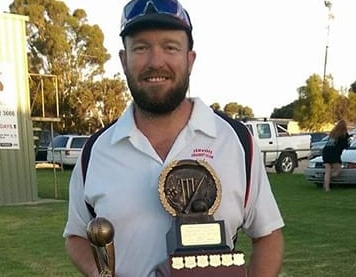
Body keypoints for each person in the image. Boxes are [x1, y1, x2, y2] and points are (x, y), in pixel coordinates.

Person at [63, 0, 285, 276]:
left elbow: (268, 235)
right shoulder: (96, 151)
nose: (156, 62)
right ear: (124, 60)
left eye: (170, 47)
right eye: (141, 48)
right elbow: (76, 237)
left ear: (190, 59)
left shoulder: (235, 140)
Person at [322, 119, 350, 191]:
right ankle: (327, 180)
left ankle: (326, 187)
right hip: (334, 154)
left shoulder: (332, 133)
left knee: (328, 171)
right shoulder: (344, 134)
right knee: (338, 171)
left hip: (325, 152)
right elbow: (345, 145)